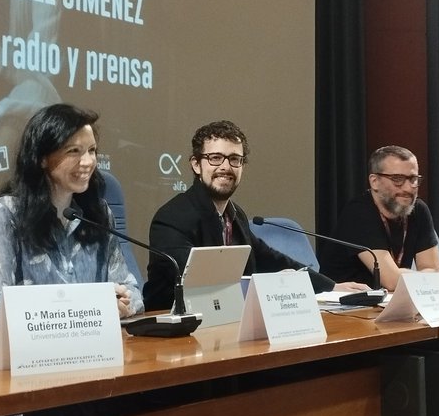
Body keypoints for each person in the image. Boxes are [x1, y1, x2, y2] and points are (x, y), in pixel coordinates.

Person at [145, 120, 368, 311]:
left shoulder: (235, 214)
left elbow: (270, 258)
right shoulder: (171, 217)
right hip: (171, 334)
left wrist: (331, 287)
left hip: (224, 321)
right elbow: (203, 279)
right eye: (215, 158)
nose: (225, 167)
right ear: (196, 164)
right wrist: (279, 283)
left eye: (234, 159)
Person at [0, 104, 144, 327]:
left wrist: (122, 305)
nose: (88, 162)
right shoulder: (7, 212)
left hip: (95, 347)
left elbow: (131, 290)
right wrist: (90, 306)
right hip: (36, 354)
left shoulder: (98, 213)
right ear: (42, 158)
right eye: (73, 151)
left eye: (92, 151)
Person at [318, 145, 439, 291]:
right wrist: (438, 279)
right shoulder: (359, 212)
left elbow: (431, 268)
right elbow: (392, 281)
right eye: (397, 179)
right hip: (346, 306)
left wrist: (409, 277)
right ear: (374, 182)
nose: (408, 188)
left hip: (393, 301)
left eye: (413, 179)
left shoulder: (418, 209)